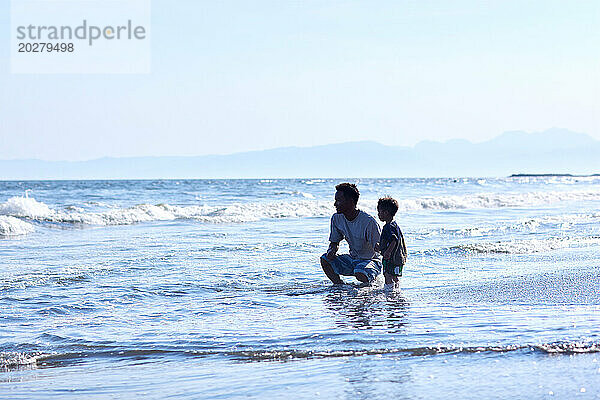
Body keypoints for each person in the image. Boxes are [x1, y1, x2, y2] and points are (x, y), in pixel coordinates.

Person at [320, 183, 382, 285]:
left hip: (371, 261)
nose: (335, 204)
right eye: (335, 200)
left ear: (351, 201)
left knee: (360, 272)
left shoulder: (368, 221)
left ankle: (369, 287)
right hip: (352, 260)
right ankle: (339, 286)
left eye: (339, 200)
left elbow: (379, 247)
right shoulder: (336, 218)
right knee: (325, 259)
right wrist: (331, 250)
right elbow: (334, 242)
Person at [376, 196, 407, 289]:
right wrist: (381, 248)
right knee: (394, 275)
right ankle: (397, 290)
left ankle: (389, 291)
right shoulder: (394, 224)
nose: (378, 214)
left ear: (386, 213)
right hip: (398, 257)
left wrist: (388, 251)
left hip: (392, 257)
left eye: (379, 212)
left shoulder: (388, 227)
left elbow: (394, 240)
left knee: (387, 274)